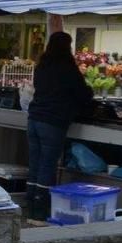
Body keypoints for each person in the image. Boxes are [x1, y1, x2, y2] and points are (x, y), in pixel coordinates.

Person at [26, 31, 95, 220]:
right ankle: (40, 210)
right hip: (53, 121)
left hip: (34, 118)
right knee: (47, 165)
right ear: (67, 47)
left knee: (34, 164)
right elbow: (83, 93)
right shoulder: (67, 68)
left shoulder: (42, 66)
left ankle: (29, 205)